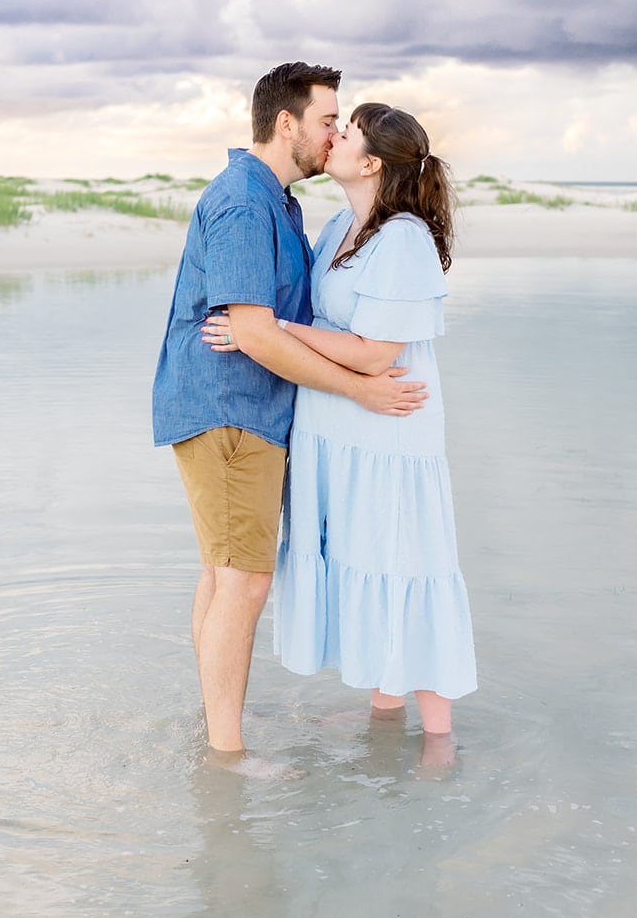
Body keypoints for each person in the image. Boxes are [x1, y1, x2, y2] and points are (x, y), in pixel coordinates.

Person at [151, 64, 429, 761]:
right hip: (230, 409)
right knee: (242, 580)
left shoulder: (281, 202)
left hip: (241, 409)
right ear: (288, 123)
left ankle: (215, 726)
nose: (334, 132)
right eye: (328, 119)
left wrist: (271, 332)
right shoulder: (247, 202)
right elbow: (254, 330)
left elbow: (272, 322)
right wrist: (361, 387)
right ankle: (228, 754)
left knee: (225, 573)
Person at [203, 102, 477, 744]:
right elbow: (335, 326)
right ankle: (386, 715)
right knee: (368, 561)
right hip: (341, 434)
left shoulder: (403, 236)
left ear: (371, 162)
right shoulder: (339, 227)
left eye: (345, 132)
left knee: (408, 564)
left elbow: (376, 353)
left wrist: (265, 331)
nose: (333, 138)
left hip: (387, 433)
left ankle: (437, 745)